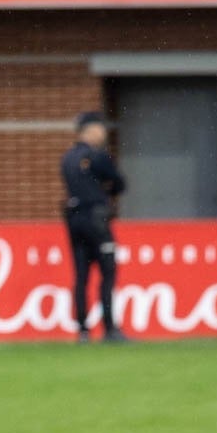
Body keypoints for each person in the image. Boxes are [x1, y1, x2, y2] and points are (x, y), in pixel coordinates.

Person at [61, 111, 127, 343]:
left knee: (81, 275)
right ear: (90, 130)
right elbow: (120, 183)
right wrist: (105, 193)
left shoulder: (67, 158)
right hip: (96, 220)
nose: (103, 133)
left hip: (73, 219)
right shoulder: (97, 156)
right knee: (107, 272)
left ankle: (82, 330)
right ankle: (110, 329)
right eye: (100, 128)